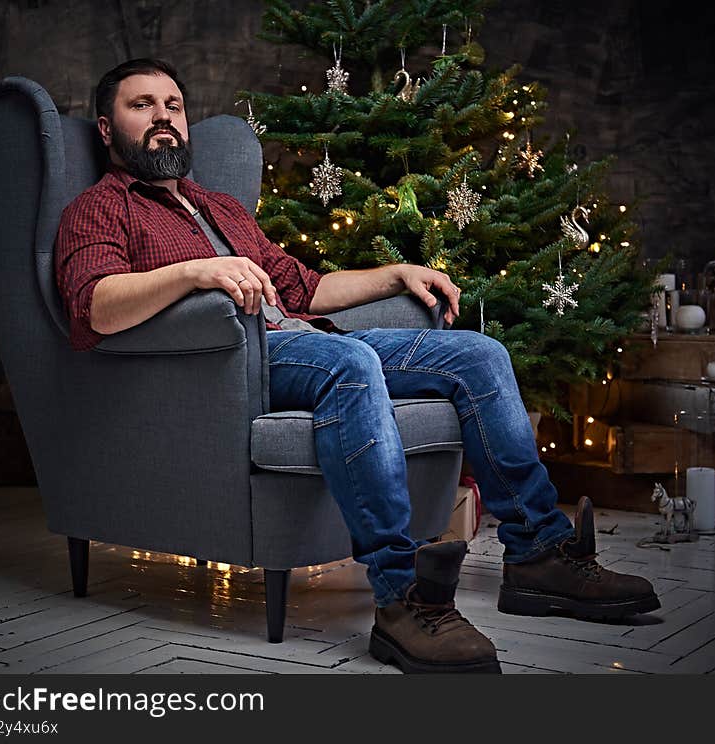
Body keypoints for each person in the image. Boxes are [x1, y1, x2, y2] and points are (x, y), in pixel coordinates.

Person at [55, 58, 659, 675]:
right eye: (142, 105)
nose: (163, 119)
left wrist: (396, 274)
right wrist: (195, 272)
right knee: (348, 361)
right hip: (234, 364)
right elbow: (95, 307)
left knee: (480, 355)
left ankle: (539, 556)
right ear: (107, 130)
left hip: (305, 338)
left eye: (173, 106)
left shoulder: (220, 208)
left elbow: (305, 288)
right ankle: (401, 599)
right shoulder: (101, 208)